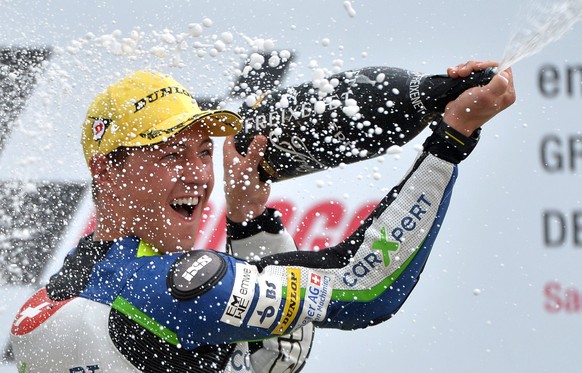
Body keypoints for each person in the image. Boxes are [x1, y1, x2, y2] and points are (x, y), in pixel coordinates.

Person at [10, 61, 515, 372]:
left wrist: (250, 221)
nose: (199, 176)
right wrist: (451, 140)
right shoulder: (168, 288)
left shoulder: (54, 297)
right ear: (106, 170)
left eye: (199, 153)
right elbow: (366, 289)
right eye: (169, 157)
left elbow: (272, 361)